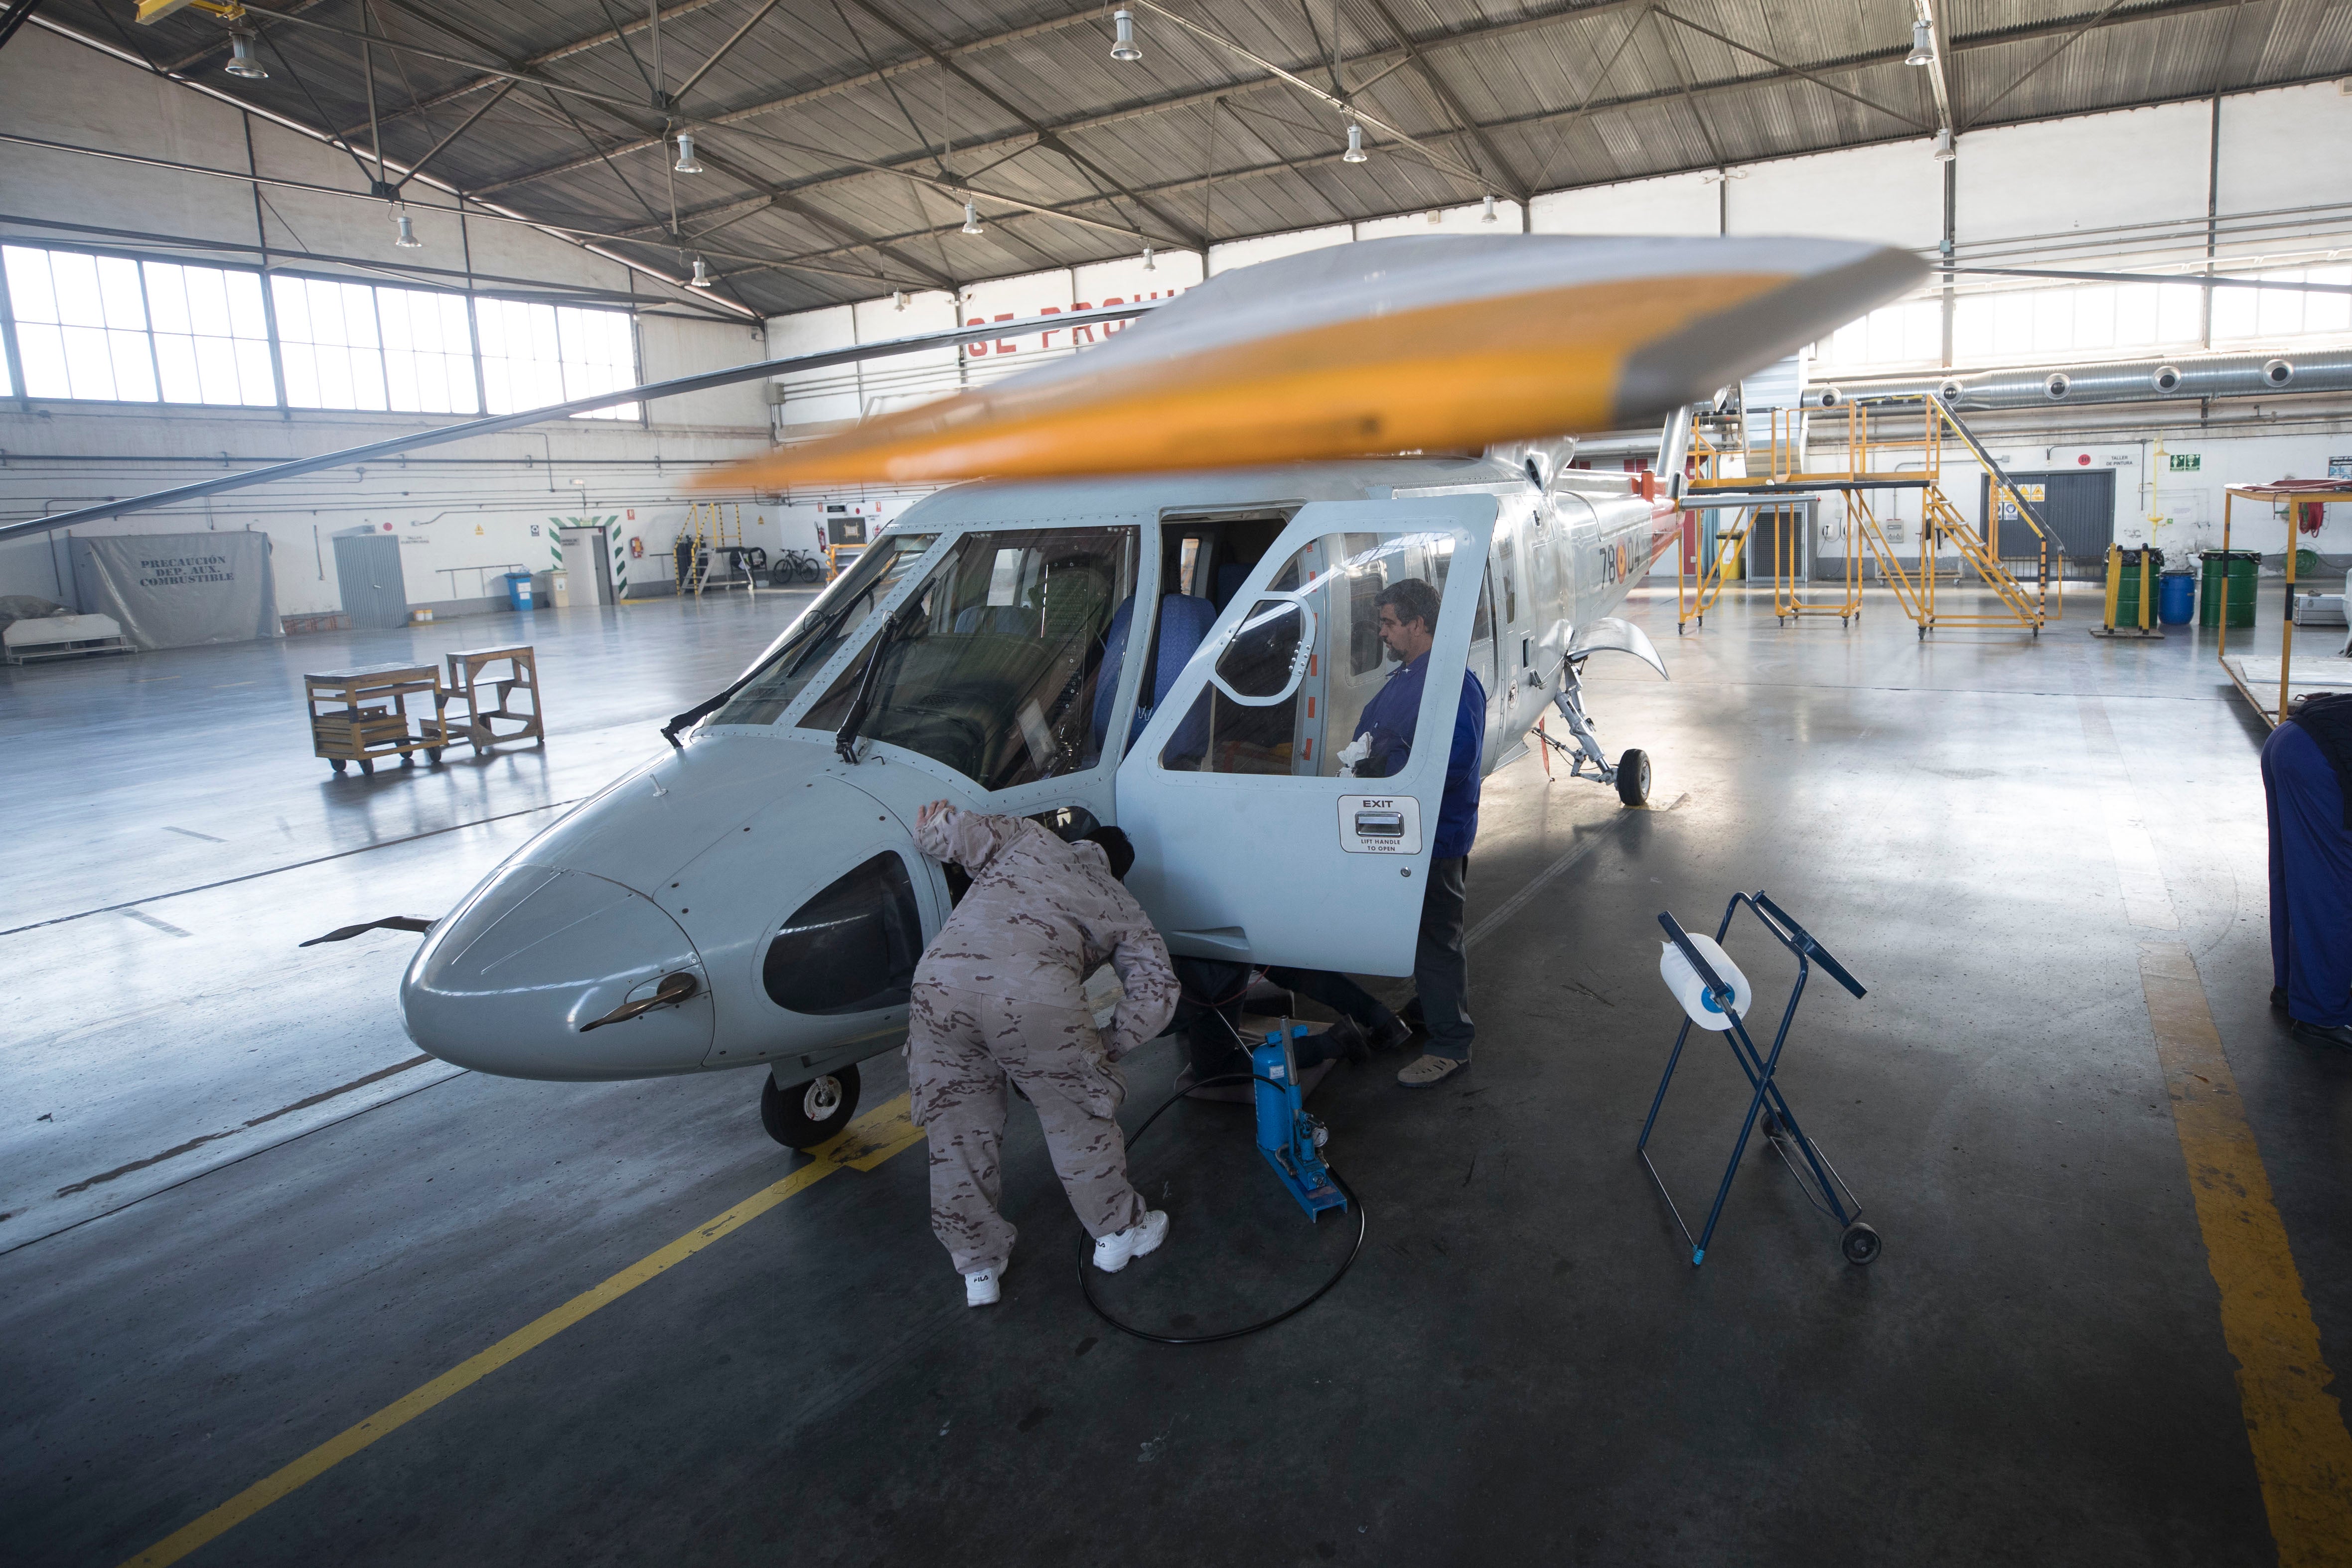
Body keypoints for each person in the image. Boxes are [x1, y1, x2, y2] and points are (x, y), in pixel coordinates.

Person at [906, 802, 1181, 1307]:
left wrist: (929, 826)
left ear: (1085, 841)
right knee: (1078, 1119)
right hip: (1035, 1001)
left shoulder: (1026, 839)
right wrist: (1107, 1044)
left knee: (956, 1133)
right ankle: (1119, 1235)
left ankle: (978, 1268)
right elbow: (1156, 991)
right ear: (1117, 868)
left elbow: (956, 833)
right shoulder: (1118, 900)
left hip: (939, 988)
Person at [1347, 577, 1486, 1088]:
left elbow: (1455, 759)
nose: (1381, 633)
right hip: (1401, 831)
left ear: (1418, 624)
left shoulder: (1452, 682)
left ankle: (1451, 1046)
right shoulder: (1406, 677)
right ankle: (1432, 1009)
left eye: (1388, 623)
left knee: (1436, 940)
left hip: (1434, 838)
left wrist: (1383, 763)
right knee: (1422, 936)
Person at [2264, 692, 2352, 1049]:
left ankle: (2291, 988)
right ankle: (2320, 1014)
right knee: (2332, 886)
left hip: (2290, 738)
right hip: (2319, 759)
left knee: (2299, 875)